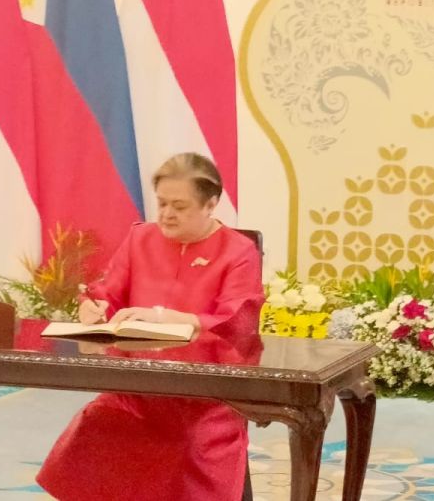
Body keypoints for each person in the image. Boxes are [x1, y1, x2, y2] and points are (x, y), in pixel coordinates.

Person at [36, 152, 264, 501]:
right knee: (97, 425)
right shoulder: (140, 238)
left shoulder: (238, 251)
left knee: (191, 445)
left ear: (211, 204)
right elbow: (106, 291)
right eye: (161, 203)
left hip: (204, 396)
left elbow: (237, 321)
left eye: (179, 206)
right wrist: (92, 307)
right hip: (136, 387)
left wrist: (168, 318)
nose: (167, 214)